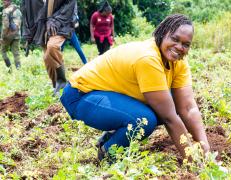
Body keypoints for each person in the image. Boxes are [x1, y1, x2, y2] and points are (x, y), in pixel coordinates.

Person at [61, 14, 210, 160]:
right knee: (144, 120)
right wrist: (193, 161)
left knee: (172, 100)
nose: (179, 47)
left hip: (107, 93)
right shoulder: (148, 59)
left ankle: (110, 138)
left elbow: (188, 107)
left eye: (186, 44)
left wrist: (206, 149)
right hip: (81, 95)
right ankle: (108, 153)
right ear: (163, 33)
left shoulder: (178, 62)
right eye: (175, 39)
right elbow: (169, 117)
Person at [21, 0, 76, 96]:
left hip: (60, 23)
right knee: (47, 58)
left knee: (52, 47)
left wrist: (55, 21)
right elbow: (27, 13)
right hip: (40, 28)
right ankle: (57, 88)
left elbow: (70, 4)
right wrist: (28, 34)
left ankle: (62, 82)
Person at [1, 0, 22, 72]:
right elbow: (19, 23)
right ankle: (19, 69)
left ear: (8, 1)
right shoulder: (18, 10)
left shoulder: (6, 11)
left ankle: (9, 69)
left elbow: (5, 26)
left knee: (3, 50)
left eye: (4, 2)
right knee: (16, 53)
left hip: (8, 35)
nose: (3, 3)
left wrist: (2, 37)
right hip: (17, 34)